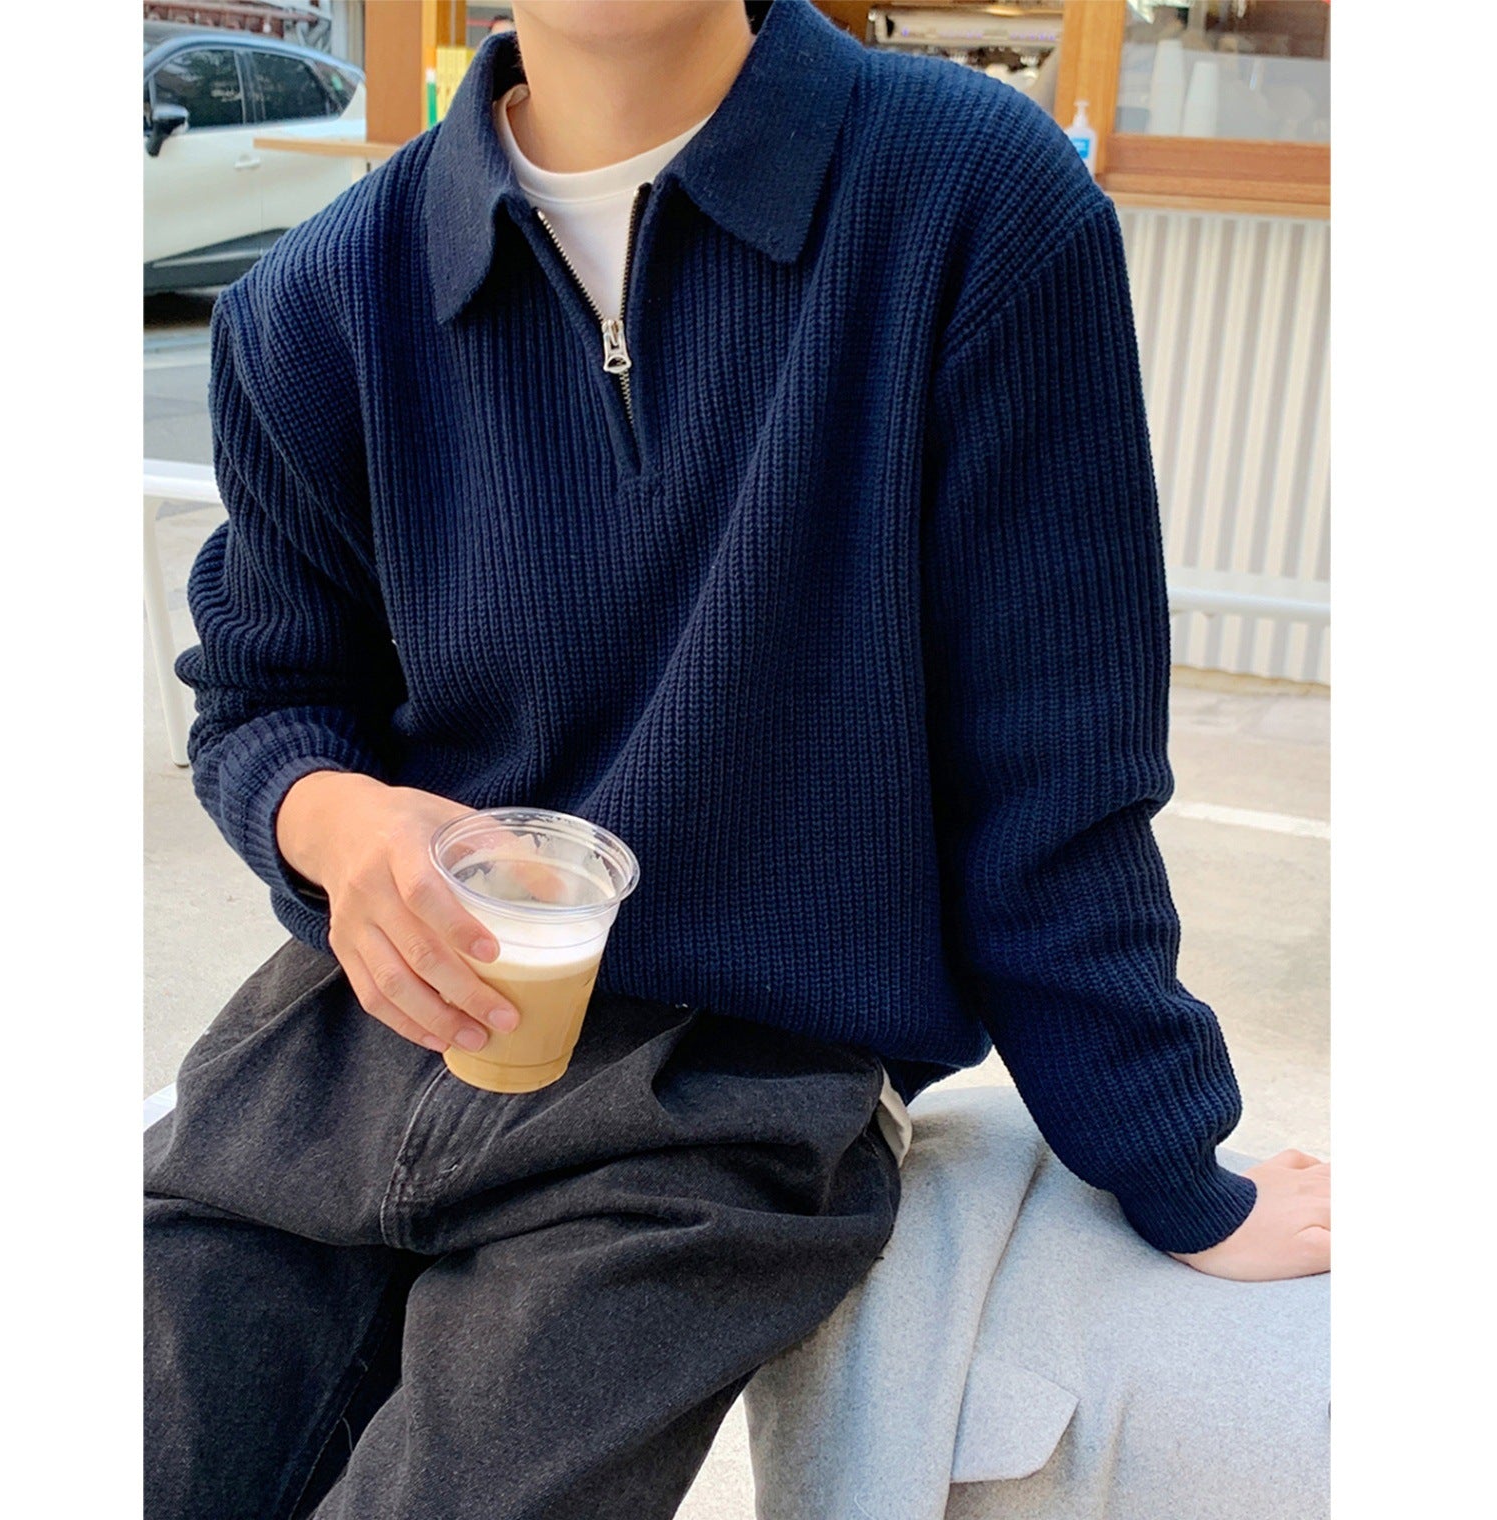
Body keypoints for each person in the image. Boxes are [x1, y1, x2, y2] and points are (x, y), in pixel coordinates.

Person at [144, 2, 1330, 1516]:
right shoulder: (320, 299)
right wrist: (336, 822)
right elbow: (265, 696)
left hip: (720, 1092)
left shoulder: (967, 202)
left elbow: (1052, 766)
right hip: (347, 1039)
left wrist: (1171, 1165)